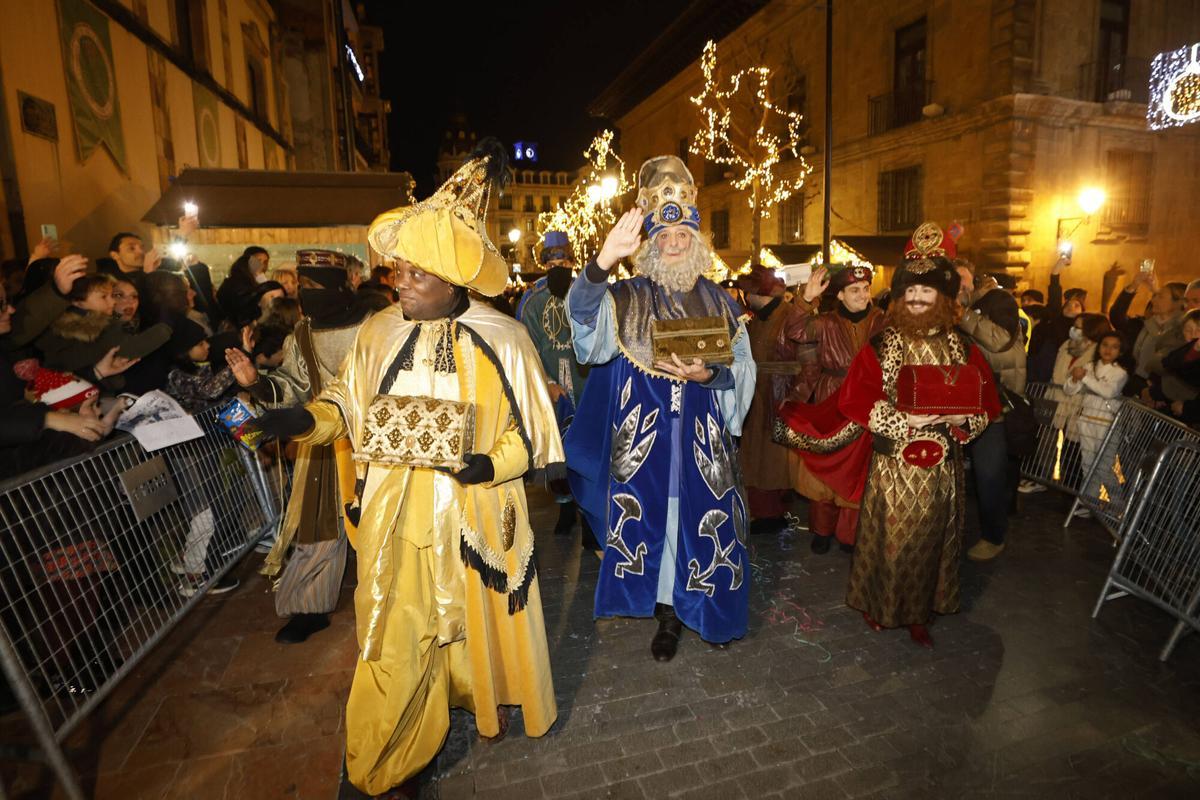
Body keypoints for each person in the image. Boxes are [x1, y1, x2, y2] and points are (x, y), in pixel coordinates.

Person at [251, 140, 560, 796]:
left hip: (474, 517)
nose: (400, 284)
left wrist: (490, 463)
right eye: (397, 272)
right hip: (396, 515)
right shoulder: (378, 331)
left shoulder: (502, 337)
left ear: (452, 279)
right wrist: (300, 420)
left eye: (416, 275)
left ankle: (460, 700)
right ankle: (387, 756)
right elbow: (345, 404)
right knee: (393, 631)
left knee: (472, 628)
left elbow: (530, 433)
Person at [565, 155, 755, 661]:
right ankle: (669, 614)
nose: (673, 246)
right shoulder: (624, 298)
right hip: (646, 447)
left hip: (703, 443)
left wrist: (710, 375)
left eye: (682, 238)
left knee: (706, 524)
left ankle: (710, 608)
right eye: (663, 239)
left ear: (697, 243)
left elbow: (744, 373)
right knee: (664, 528)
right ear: (649, 246)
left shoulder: (722, 303)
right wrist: (600, 265)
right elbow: (585, 332)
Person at [776, 223, 1000, 648]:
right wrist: (900, 421)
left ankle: (921, 613)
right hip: (893, 464)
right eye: (910, 291)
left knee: (931, 541)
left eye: (926, 291)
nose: (916, 298)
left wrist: (961, 422)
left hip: (941, 468)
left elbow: (986, 405)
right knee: (891, 541)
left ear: (943, 296)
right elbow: (855, 399)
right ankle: (881, 608)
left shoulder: (963, 347)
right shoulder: (882, 344)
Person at [228, 249, 376, 645]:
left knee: (382, 525)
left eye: (315, 285)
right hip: (321, 445)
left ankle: (393, 602)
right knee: (317, 526)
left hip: (374, 444)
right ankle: (310, 607)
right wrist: (256, 380)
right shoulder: (302, 334)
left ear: (343, 284)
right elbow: (292, 387)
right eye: (303, 284)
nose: (308, 293)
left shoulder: (377, 326)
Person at [777, 263, 886, 553]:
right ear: (839, 295)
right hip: (831, 399)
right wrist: (806, 298)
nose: (863, 295)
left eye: (865, 289)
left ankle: (850, 535)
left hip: (866, 401)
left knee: (857, 469)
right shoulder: (824, 322)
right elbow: (795, 331)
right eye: (854, 290)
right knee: (825, 467)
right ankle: (822, 530)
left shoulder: (882, 321)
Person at [519, 230, 595, 541]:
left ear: (572, 260)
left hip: (586, 380)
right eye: (552, 264)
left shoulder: (587, 292)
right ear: (544, 265)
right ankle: (565, 507)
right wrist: (546, 382)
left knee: (589, 448)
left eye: (563, 261)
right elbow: (526, 346)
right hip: (551, 382)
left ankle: (590, 512)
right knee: (557, 450)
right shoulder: (531, 299)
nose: (558, 268)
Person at [954, 261, 1026, 562]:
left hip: (993, 403)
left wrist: (963, 316)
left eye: (963, 279)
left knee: (989, 472)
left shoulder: (998, 301)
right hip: (960, 401)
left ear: (974, 280)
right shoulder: (958, 308)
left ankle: (994, 536)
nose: (959, 286)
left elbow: (1001, 344)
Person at [736, 264, 797, 536]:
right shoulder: (757, 319)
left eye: (750, 293)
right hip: (757, 394)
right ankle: (764, 512)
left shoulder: (789, 316)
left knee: (774, 457)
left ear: (761, 294)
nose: (746, 298)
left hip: (777, 395)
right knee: (756, 455)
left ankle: (772, 513)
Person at [1062, 330, 1127, 509]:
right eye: (1105, 345)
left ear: (1120, 352)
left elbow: (1108, 391)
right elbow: (1069, 390)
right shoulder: (1090, 367)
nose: (1108, 350)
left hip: (1106, 423)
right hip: (1087, 420)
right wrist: (1075, 380)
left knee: (1104, 467)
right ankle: (1089, 503)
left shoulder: (1120, 373)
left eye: (1114, 347)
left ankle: (1119, 505)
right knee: (1088, 463)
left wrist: (1084, 377)